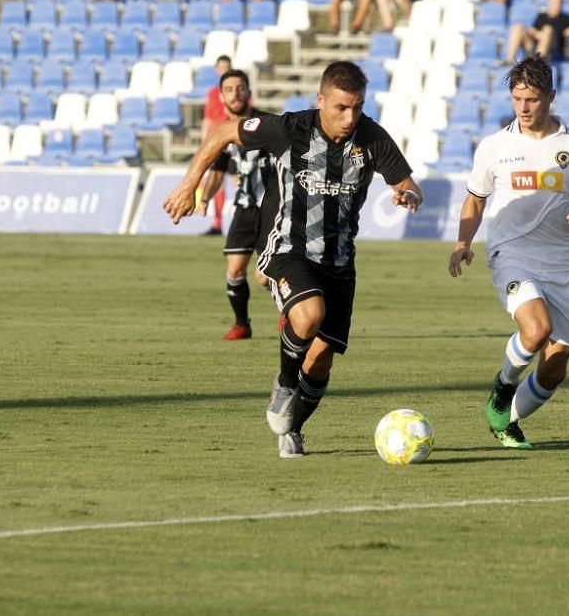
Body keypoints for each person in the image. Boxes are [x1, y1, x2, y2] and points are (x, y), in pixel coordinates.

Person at [164, 61, 425, 458]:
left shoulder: (372, 138)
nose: (349, 117)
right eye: (340, 108)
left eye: (357, 107)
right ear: (320, 100)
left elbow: (407, 183)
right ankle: (285, 383)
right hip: (289, 249)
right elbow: (221, 133)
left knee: (320, 361)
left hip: (340, 262)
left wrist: (409, 195)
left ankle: (293, 427)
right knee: (308, 315)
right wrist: (189, 186)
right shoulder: (289, 129)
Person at [448, 55, 569, 450]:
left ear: (550, 96)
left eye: (532, 98)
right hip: (511, 251)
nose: (524, 107)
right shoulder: (496, 146)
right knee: (536, 330)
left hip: (561, 261)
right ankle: (502, 389)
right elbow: (475, 200)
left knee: (555, 368)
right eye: (517, 99)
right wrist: (463, 242)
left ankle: (507, 421)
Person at [196, 69, 276, 340]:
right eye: (229, 89)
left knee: (266, 276)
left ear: (249, 92)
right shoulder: (222, 134)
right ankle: (242, 324)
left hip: (273, 210)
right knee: (234, 270)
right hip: (244, 208)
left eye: (240, 88)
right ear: (221, 96)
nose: (235, 93)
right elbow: (217, 172)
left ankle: (291, 312)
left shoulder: (267, 124)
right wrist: (205, 196)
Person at [201, 55, 234, 236]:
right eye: (221, 68)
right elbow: (207, 119)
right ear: (216, 70)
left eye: (226, 67)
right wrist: (204, 143)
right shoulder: (213, 93)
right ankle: (217, 224)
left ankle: (250, 221)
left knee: (241, 181)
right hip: (217, 143)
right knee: (217, 182)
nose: (223, 71)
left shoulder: (237, 91)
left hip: (234, 141)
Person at [505, 0, 569, 64]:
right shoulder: (541, 16)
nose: (557, 4)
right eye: (554, 2)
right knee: (518, 26)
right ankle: (510, 60)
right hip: (534, 47)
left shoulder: (566, 18)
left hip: (553, 51)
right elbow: (532, 30)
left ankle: (539, 64)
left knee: (548, 29)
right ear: (549, 1)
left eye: (559, 2)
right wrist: (538, 35)